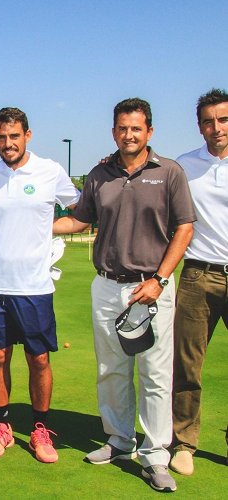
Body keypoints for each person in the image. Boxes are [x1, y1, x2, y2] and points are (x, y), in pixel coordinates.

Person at [53, 98, 195, 492]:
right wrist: (32, 225)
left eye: (136, 128)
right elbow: (80, 219)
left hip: (149, 289)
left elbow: (184, 228)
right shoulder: (100, 173)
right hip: (106, 286)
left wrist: (160, 280)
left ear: (149, 131)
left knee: (153, 374)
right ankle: (119, 440)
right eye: (121, 128)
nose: (128, 135)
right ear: (113, 131)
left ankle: (154, 455)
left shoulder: (169, 172)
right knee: (111, 369)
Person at [0, 107, 79, 464]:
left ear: (27, 136)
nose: (8, 143)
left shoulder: (50, 171)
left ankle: (39, 429)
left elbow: (79, 212)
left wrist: (47, 228)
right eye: (1, 137)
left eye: (14, 136)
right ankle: (2, 428)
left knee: (39, 359)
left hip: (34, 286)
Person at [170, 88, 228, 476]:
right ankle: (184, 442)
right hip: (198, 274)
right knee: (188, 365)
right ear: (199, 126)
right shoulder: (184, 165)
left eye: (223, 119)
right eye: (209, 121)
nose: (216, 127)